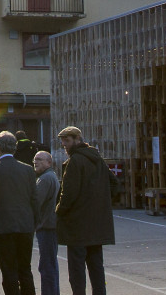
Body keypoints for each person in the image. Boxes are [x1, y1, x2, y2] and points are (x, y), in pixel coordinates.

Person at [55, 126, 114, 295]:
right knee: (96, 268)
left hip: (78, 227)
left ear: (77, 140)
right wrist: (100, 203)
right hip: (97, 226)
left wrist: (59, 211)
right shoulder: (97, 159)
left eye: (67, 141)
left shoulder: (75, 161)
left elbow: (68, 194)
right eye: (63, 142)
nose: (64, 145)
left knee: (77, 272)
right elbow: (114, 184)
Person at [0, 130, 39, 295]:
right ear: (14, 148)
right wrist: (34, 222)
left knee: (8, 270)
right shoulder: (28, 170)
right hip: (25, 226)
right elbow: (34, 199)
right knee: (25, 269)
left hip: (3, 227)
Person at [32, 150, 60, 295]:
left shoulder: (45, 179)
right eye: (35, 159)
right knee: (50, 265)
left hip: (46, 226)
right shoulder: (49, 177)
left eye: (40, 159)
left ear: (49, 162)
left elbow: (35, 203)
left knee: (47, 266)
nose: (36, 162)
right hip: (49, 226)